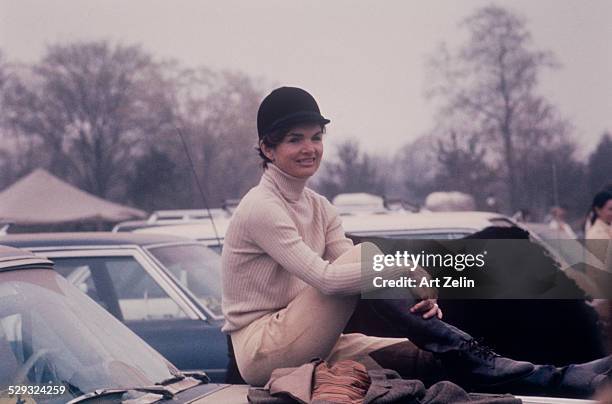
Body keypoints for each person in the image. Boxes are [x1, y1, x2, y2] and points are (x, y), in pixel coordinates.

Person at [221, 86, 611, 396]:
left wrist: (416, 293)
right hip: (261, 349)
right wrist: (405, 271)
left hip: (313, 338)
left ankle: (552, 378)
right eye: (294, 139)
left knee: (424, 359)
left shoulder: (320, 207)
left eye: (316, 137)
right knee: (362, 260)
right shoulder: (261, 207)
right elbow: (329, 280)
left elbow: (360, 276)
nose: (309, 148)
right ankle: (477, 355)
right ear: (267, 149)